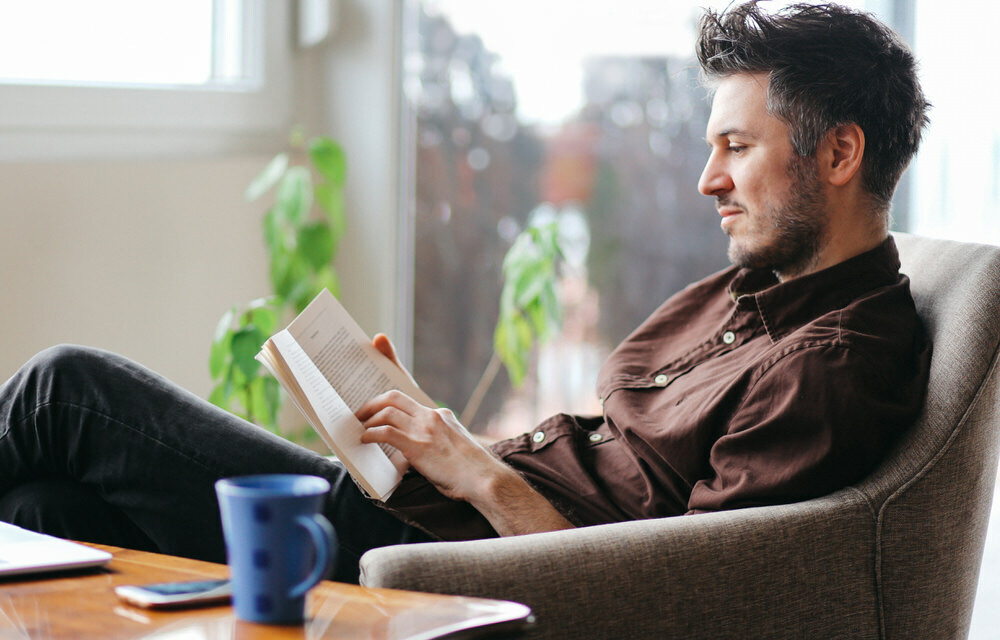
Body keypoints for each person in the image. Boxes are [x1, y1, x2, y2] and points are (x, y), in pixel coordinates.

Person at [0, 1, 931, 583]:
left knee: (64, 390)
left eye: (736, 146)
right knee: (49, 512)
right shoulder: (764, 290)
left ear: (840, 152)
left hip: (429, 548)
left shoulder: (832, 365)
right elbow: (614, 477)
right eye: (710, 145)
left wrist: (471, 467)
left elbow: (662, 583)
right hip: (439, 505)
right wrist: (439, 430)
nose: (706, 179)